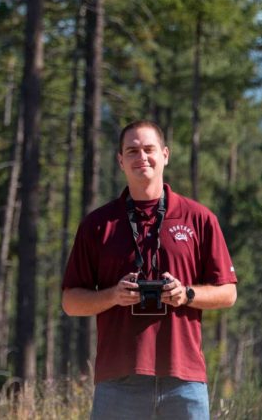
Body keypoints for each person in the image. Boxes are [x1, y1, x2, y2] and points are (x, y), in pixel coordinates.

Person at [61, 120, 237, 420]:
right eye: (131, 150)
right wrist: (113, 296)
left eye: (148, 149)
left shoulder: (199, 219)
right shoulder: (98, 225)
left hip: (183, 378)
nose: (141, 157)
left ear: (165, 155)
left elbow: (229, 293)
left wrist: (187, 293)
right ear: (120, 160)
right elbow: (70, 302)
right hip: (119, 381)